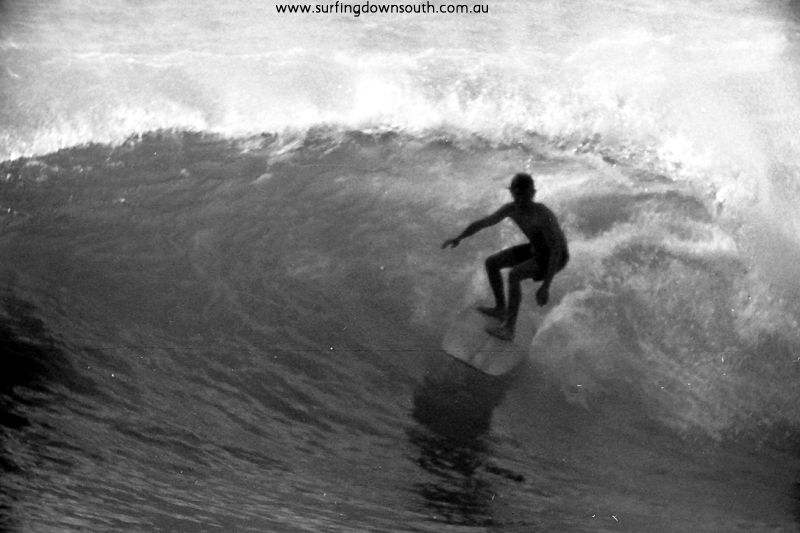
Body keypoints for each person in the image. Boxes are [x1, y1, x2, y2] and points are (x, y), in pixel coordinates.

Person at [441, 173, 569, 341]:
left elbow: (556, 250)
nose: (520, 200)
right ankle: (501, 309)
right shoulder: (512, 209)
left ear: (532, 193)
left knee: (515, 274)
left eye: (523, 195)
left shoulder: (543, 214)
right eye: (516, 195)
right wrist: (459, 237)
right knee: (492, 263)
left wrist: (546, 286)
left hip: (556, 257)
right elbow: (483, 223)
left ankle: (509, 329)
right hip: (535, 250)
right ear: (512, 193)